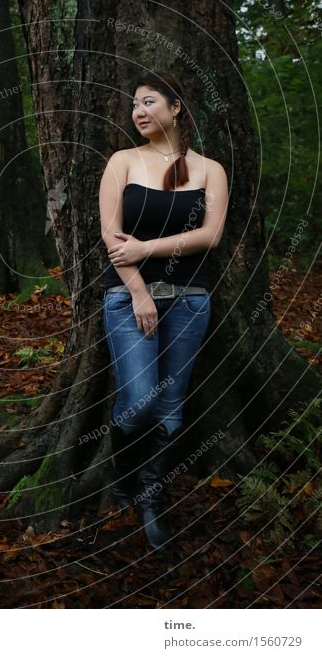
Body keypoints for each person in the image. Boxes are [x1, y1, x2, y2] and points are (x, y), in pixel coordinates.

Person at [99, 71, 228, 548]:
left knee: (171, 412)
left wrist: (146, 249)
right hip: (127, 299)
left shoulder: (210, 169)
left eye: (149, 101)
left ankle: (150, 500)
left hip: (191, 301)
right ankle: (121, 477)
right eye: (134, 104)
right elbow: (113, 239)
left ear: (175, 108)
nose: (138, 111)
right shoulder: (122, 162)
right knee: (137, 406)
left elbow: (210, 235)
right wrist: (138, 292)